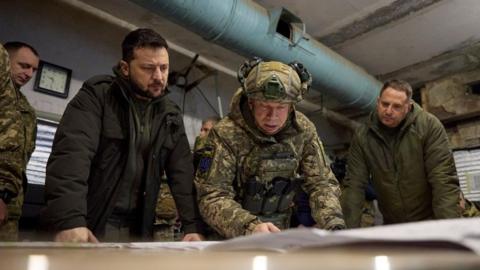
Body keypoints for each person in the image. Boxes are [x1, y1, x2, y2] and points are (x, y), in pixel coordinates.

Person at [42, 28, 204, 242]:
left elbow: (182, 173)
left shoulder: (170, 114)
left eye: (164, 68)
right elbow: (71, 157)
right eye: (148, 68)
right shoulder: (98, 97)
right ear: (125, 68)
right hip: (91, 221)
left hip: (138, 228)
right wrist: (70, 220)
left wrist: (192, 227)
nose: (159, 77)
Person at [195, 58, 345, 238]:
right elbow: (212, 196)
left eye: (281, 107)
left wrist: (333, 224)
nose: (272, 116)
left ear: (291, 107)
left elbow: (321, 183)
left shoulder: (303, 130)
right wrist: (250, 227)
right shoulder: (225, 134)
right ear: (251, 103)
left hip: (279, 235)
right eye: (264, 106)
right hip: (232, 237)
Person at [341, 79, 461, 228]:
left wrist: (449, 230)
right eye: (385, 104)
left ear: (408, 107)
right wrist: (346, 234)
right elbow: (353, 184)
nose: (388, 111)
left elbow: (443, 179)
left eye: (396, 106)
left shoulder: (428, 126)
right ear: (378, 102)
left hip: (429, 220)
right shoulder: (363, 136)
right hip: (393, 224)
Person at [0, 41, 39, 241]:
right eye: (24, 66)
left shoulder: (27, 111)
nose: (29, 74)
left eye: (33, 69)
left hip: (12, 208)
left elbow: (21, 159)